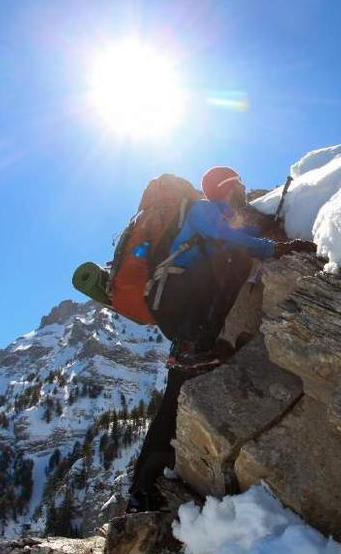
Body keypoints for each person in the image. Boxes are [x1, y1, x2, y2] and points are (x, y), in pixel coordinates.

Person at [127, 166, 314, 511]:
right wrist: (275, 249)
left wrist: (267, 233)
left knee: (176, 394)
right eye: (238, 187)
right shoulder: (203, 211)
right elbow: (232, 239)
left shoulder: (216, 216)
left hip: (184, 309)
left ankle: (147, 483)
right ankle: (142, 489)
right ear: (226, 188)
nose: (241, 193)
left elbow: (236, 234)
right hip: (183, 304)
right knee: (176, 393)